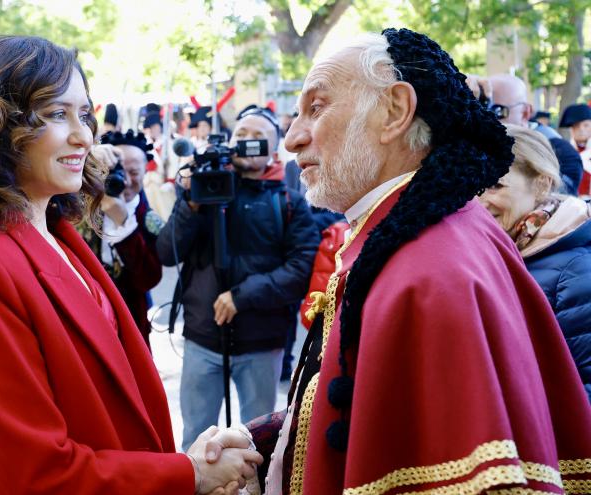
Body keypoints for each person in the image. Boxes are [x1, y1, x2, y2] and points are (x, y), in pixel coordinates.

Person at [239, 29, 591, 494]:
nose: (292, 139)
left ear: (394, 112)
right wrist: (260, 438)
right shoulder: (420, 241)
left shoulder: (430, 272)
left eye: (317, 108)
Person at [0, 36, 261, 495]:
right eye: (57, 114)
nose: (84, 135)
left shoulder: (58, 232)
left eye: (84, 114)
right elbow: (33, 473)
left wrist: (192, 460)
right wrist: (188, 474)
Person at [157, 104, 318, 453]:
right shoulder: (200, 189)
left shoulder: (288, 199)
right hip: (202, 339)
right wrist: (192, 203)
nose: (248, 141)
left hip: (262, 342)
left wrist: (242, 296)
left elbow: (300, 269)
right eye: (241, 134)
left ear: (274, 147)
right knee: (196, 440)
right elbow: (166, 253)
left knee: (258, 446)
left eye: (259, 136)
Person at [480, 124, 591, 402]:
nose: (478, 200)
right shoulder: (496, 248)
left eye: (495, 185)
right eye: (473, 184)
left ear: (541, 184)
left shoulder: (577, 271)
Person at [81, 129, 163, 349]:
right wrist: (87, 156)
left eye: (134, 172)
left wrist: (123, 221)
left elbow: (149, 278)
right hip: (84, 321)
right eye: (117, 170)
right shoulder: (79, 207)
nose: (125, 180)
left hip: (130, 326)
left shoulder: (149, 219)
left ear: (146, 172)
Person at [466, 74, 584, 195]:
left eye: (498, 111)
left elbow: (558, 200)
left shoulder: (562, 152)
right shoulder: (469, 143)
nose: (486, 117)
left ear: (525, 113)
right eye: (480, 107)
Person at [559, 102, 591, 196]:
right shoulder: (564, 152)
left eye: (586, 125)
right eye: (576, 126)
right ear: (571, 129)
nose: (581, 129)